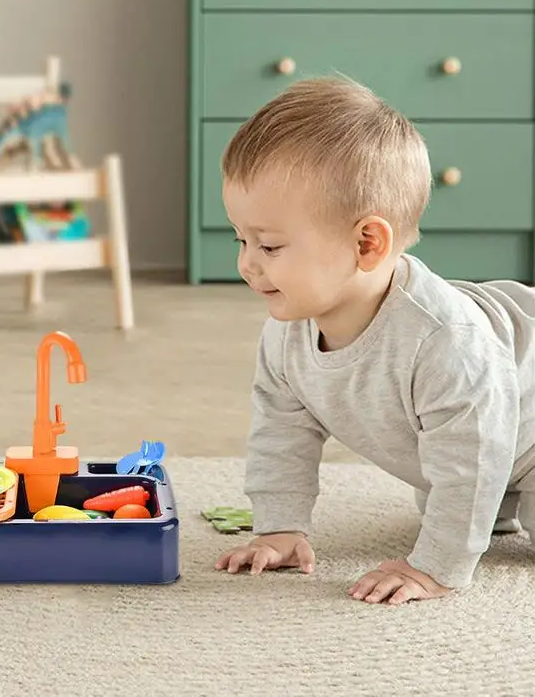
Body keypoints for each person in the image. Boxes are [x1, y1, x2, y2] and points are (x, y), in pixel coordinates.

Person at [214, 76, 535, 605]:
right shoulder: (289, 332)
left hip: (519, 426)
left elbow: (472, 461)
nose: (247, 263)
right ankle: (499, 502)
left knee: (467, 486)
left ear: (367, 243)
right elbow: (281, 429)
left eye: (269, 245)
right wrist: (279, 527)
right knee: (449, 490)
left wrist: (434, 568)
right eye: (241, 238)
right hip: (488, 439)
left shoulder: (444, 344)